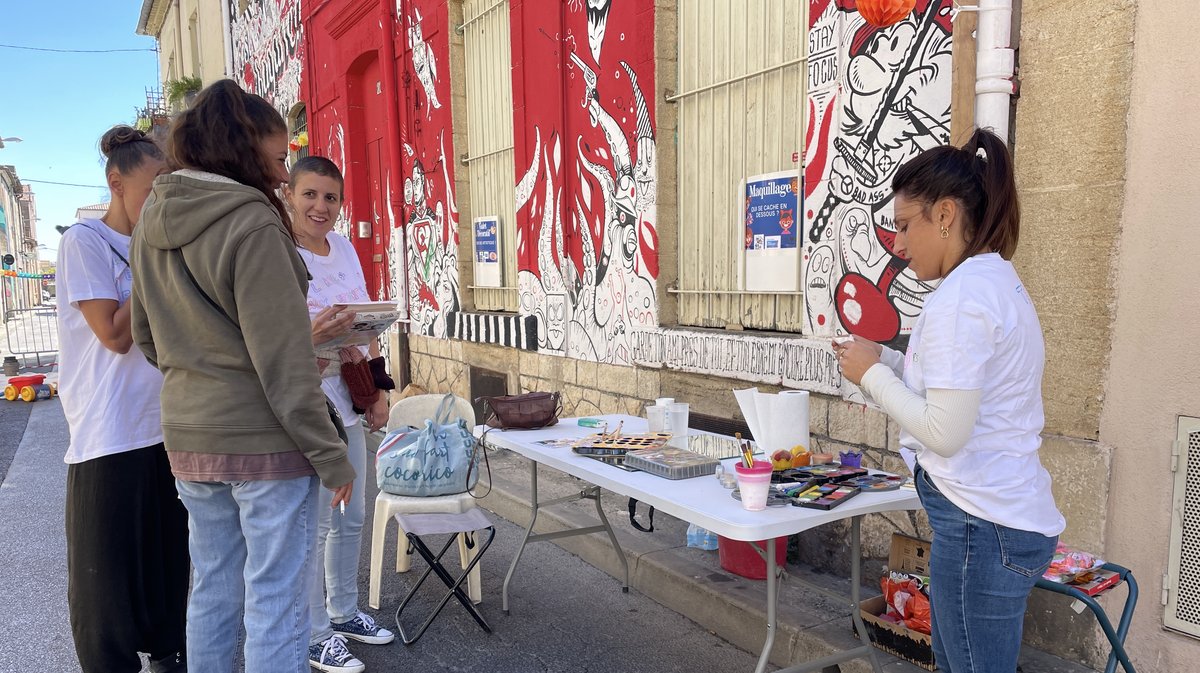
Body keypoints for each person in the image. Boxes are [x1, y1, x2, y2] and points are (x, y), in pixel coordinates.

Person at [128, 80, 356, 673]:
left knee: (212, 589)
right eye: (280, 160)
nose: (284, 177)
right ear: (243, 147)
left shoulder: (152, 219)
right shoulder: (254, 224)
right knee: (275, 602)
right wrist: (332, 456)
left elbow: (149, 339)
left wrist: (204, 373)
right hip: (264, 445)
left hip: (189, 436)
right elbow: (283, 364)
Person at [835, 128, 1065, 673]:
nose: (896, 242)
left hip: (979, 528)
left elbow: (944, 430)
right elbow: (957, 388)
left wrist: (871, 376)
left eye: (903, 223)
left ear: (944, 214)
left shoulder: (962, 299)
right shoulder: (992, 282)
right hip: (997, 519)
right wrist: (886, 361)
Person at [57, 125, 188, 673]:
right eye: (153, 186)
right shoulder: (84, 242)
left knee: (169, 570)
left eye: (169, 187)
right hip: (108, 436)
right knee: (104, 590)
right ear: (117, 182)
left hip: (170, 429)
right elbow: (113, 333)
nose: (161, 199)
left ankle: (169, 654)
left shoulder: (156, 246)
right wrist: (156, 265)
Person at [284, 156, 394, 673]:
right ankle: (312, 635)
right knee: (316, 523)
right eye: (310, 194)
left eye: (330, 198)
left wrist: (378, 389)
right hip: (307, 402)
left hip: (349, 397)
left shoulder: (345, 248)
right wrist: (317, 337)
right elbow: (267, 341)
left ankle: (344, 612)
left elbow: (366, 321)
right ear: (289, 194)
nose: (320, 207)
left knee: (353, 515)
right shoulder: (278, 250)